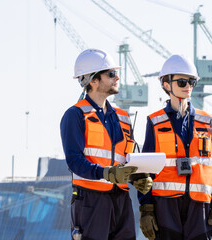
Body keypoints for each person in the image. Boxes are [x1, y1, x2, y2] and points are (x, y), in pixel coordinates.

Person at [60, 48, 152, 240]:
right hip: (90, 201)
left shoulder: (123, 118)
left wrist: (137, 178)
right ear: (93, 80)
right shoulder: (75, 115)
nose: (116, 78)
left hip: (121, 200)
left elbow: (127, 158)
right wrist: (105, 173)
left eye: (116, 73)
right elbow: (74, 161)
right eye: (111, 74)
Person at [138, 54, 212, 240]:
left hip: (199, 206)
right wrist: (146, 207)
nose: (188, 87)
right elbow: (145, 170)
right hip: (165, 206)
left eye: (192, 82)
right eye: (182, 82)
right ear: (166, 85)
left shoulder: (206, 121)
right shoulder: (155, 122)